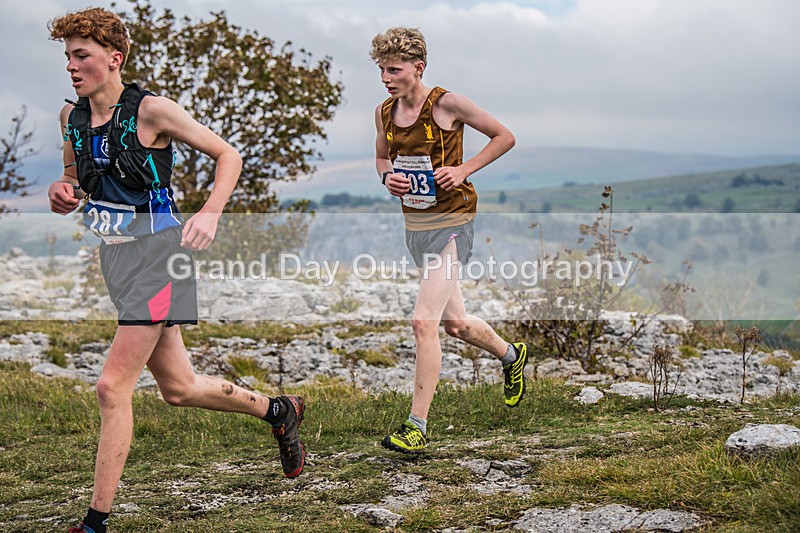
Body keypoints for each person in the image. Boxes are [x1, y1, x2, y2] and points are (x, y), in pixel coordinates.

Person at [47, 8, 305, 533]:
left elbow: (226, 155)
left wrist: (210, 212)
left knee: (110, 387)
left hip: (162, 258)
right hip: (115, 258)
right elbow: (74, 177)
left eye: (82, 55)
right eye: (68, 56)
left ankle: (94, 521)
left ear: (113, 58)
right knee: (180, 388)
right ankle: (277, 411)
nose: (72, 66)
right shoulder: (71, 117)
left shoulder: (152, 111)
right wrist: (64, 191)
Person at [371, 27, 529, 454]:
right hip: (416, 227)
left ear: (418, 68)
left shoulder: (447, 104)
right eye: (382, 69)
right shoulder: (384, 112)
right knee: (456, 324)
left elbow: (504, 136)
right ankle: (512, 357)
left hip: (454, 222)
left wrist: (463, 170)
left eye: (394, 69)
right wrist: (389, 178)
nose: (386, 77)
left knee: (424, 321)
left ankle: (416, 425)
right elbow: (383, 158)